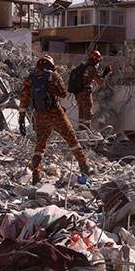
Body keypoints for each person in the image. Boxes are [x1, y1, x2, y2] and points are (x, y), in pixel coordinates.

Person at [19, 55, 92, 185]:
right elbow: (63, 93)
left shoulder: (30, 79)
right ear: (51, 65)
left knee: (40, 146)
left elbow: (24, 100)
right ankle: (84, 166)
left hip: (40, 116)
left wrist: (21, 120)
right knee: (71, 140)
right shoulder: (53, 76)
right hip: (56, 114)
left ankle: (36, 173)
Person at [74, 50, 112, 130]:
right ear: (95, 60)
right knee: (87, 112)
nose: (98, 62)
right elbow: (101, 82)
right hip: (85, 93)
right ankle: (87, 129)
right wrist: (105, 73)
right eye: (98, 60)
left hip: (78, 93)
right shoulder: (92, 69)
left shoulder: (83, 67)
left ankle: (81, 129)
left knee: (81, 112)